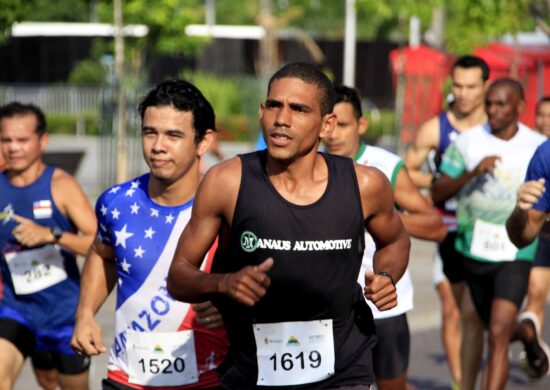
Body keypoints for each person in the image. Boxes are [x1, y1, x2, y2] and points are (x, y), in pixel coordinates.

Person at [166, 62, 410, 390]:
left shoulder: (364, 184)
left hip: (342, 368)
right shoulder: (226, 182)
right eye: (274, 105)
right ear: (261, 111)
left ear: (327, 124)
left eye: (298, 109)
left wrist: (385, 277)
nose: (282, 119)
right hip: (250, 367)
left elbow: (395, 241)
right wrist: (223, 284)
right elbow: (178, 276)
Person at [70, 80, 229, 389]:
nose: (158, 146)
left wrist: (234, 308)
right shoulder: (116, 203)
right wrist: (85, 314)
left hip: (211, 379)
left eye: (173, 135)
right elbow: (102, 256)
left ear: (204, 141)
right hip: (127, 377)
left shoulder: (231, 207)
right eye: (149, 132)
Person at [323, 85, 446, 390]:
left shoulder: (386, 166)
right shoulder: (308, 166)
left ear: (361, 125)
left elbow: (436, 225)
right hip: (330, 310)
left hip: (384, 304)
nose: (334, 134)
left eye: (344, 124)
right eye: (330, 124)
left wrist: (382, 216)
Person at [432, 78, 547, 389]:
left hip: (515, 251)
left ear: (519, 107)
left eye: (501, 104)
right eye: (490, 104)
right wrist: (473, 171)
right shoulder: (468, 142)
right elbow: (438, 190)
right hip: (472, 249)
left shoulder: (536, 145)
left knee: (497, 333)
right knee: (475, 324)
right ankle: (523, 334)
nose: (493, 110)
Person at [404, 55, 489, 389]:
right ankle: (460, 382)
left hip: (486, 230)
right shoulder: (436, 128)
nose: (464, 93)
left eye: (471, 86)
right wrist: (439, 181)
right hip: (448, 230)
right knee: (454, 311)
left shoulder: (494, 127)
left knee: (480, 315)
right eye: (458, 86)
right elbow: (406, 171)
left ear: (485, 86)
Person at [0, 102, 96, 390]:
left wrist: (51, 235)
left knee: (56, 382)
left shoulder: (62, 185)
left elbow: (98, 244)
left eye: (22, 140)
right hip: (16, 310)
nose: (13, 148)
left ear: (43, 140)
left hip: (64, 314)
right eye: (6, 140)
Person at [507, 96, 550, 379]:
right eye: (542, 115)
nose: (545, 121)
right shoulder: (543, 154)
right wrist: (521, 209)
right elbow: (522, 236)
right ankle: (533, 348)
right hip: (544, 236)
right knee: (536, 293)